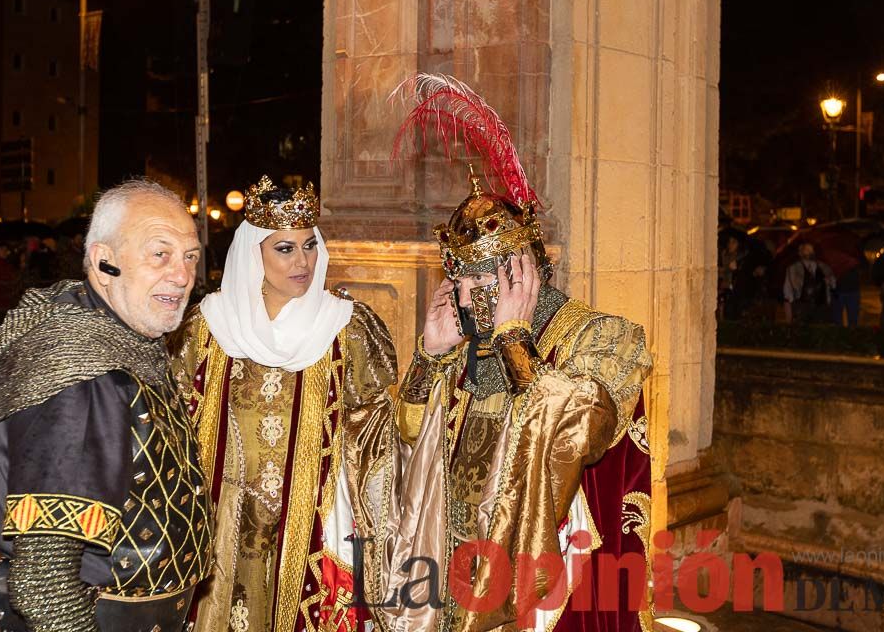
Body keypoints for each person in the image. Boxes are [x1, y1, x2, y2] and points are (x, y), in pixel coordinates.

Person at [386, 74, 653, 632]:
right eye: (457, 279)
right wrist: (428, 359)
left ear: (523, 271)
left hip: (545, 589)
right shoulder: (462, 344)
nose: (466, 295)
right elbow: (405, 452)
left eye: (481, 279)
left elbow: (576, 428)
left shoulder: (599, 339)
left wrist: (514, 341)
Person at [0, 178, 212, 632]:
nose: (182, 276)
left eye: (190, 257)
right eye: (159, 254)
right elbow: (46, 585)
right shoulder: (81, 376)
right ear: (105, 263)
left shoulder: (113, 333)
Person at [168, 176, 397, 632]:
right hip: (224, 527)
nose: (303, 261)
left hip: (316, 525)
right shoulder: (208, 326)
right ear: (255, 254)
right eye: (285, 249)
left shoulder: (346, 327)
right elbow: (176, 427)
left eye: (310, 246)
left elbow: (377, 437)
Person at [782, 243, 836, 324]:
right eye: (805, 251)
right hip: (802, 306)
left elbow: (833, 284)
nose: (808, 253)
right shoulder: (793, 268)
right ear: (800, 253)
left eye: (810, 251)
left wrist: (829, 281)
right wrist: (789, 312)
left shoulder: (824, 267)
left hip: (821, 307)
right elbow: (787, 291)